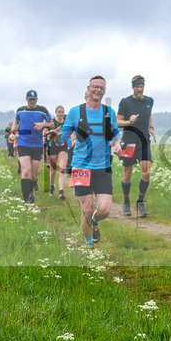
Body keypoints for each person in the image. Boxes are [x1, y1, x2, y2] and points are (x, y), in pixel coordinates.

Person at [58, 76, 122, 249]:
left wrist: (117, 143)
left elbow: (115, 133)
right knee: (86, 209)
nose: (98, 90)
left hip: (103, 167)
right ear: (88, 88)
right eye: (95, 86)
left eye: (102, 87)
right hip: (81, 166)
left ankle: (94, 222)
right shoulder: (75, 111)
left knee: (105, 210)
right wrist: (55, 137)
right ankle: (88, 247)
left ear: (104, 91)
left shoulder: (109, 111)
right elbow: (63, 135)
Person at [116, 75, 156, 217]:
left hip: (144, 141)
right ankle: (126, 202)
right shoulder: (125, 102)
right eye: (137, 87)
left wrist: (151, 128)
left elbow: (149, 115)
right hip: (129, 142)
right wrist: (129, 122)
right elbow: (118, 122)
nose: (140, 89)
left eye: (141, 86)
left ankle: (140, 202)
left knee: (146, 173)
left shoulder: (149, 101)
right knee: (127, 174)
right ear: (133, 87)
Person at [13, 90, 52, 202]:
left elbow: (52, 123)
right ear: (26, 99)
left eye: (34, 99)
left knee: (34, 175)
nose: (32, 101)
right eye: (30, 99)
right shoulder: (20, 110)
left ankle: (31, 189)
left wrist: (43, 124)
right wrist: (13, 132)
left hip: (37, 144)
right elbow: (16, 122)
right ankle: (26, 199)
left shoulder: (42, 110)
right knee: (26, 171)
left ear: (37, 99)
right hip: (23, 143)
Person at [45, 105, 70, 200]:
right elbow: (45, 132)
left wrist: (72, 139)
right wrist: (53, 131)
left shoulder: (67, 122)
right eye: (59, 112)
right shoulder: (52, 122)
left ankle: (61, 192)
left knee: (62, 169)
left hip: (63, 146)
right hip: (53, 147)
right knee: (52, 170)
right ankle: (52, 186)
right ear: (56, 112)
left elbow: (71, 132)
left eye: (62, 112)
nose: (60, 114)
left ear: (64, 113)